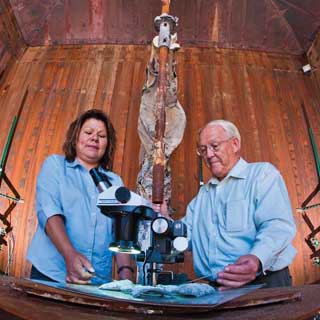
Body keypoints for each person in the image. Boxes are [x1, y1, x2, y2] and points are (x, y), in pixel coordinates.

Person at [159, 119, 297, 289]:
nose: (208, 155)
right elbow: (184, 237)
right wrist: (164, 220)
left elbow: (277, 225)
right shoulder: (202, 197)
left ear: (235, 144)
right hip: (217, 290)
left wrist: (257, 258)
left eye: (214, 146)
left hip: (264, 283)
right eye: (203, 150)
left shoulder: (262, 175)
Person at [27, 109, 134, 284]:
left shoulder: (115, 182)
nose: (95, 138)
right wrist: (70, 255)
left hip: (96, 281)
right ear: (76, 136)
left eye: (102, 135)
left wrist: (126, 275)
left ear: (108, 144)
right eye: (88, 132)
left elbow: (120, 231)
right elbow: (49, 213)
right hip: (52, 274)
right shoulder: (55, 165)